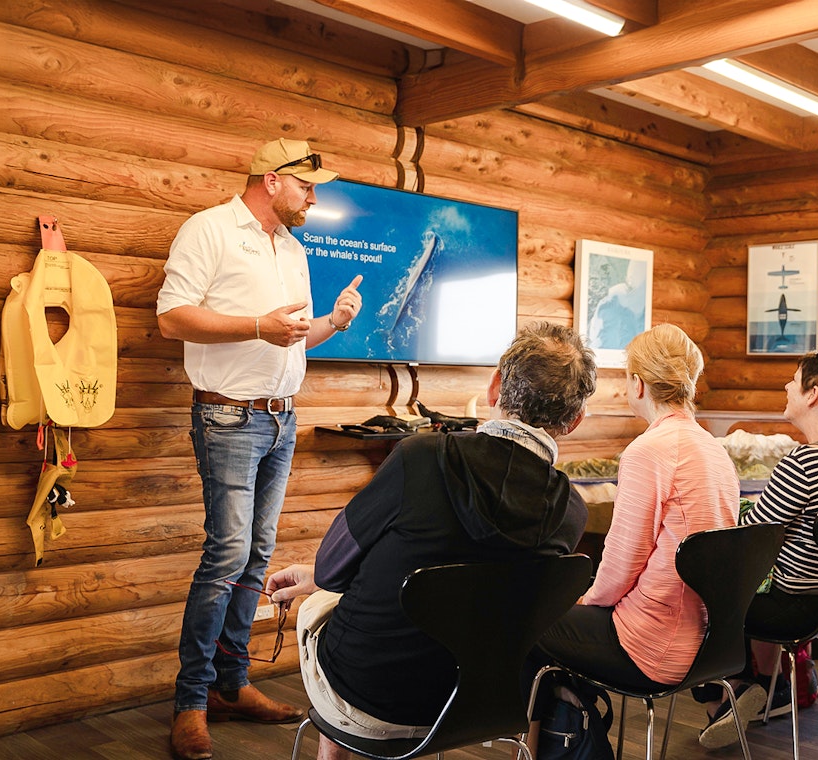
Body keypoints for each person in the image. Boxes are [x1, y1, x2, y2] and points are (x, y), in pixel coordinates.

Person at [265, 322, 598, 760]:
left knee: (319, 604)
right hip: (477, 704)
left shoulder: (418, 458)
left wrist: (320, 579)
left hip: (370, 699)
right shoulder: (569, 513)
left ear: (495, 388)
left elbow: (332, 568)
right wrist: (319, 576)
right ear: (573, 422)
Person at [156, 138, 364, 760]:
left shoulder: (294, 249)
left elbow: (291, 339)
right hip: (226, 416)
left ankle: (231, 685)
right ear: (271, 180)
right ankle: (190, 703)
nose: (314, 197)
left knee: (255, 559)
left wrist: (335, 322)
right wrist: (256, 325)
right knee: (224, 559)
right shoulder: (209, 230)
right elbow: (171, 317)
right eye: (307, 186)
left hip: (281, 421)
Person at [527, 323, 739, 735]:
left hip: (651, 645)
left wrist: (588, 599)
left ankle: (561, 732)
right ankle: (576, 710)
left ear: (638, 384)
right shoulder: (713, 448)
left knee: (528, 618)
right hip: (709, 642)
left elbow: (623, 562)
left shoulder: (649, 451)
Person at [700, 348, 818, 749]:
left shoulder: (803, 462)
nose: (786, 386)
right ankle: (766, 683)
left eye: (793, 380)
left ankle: (724, 698)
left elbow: (749, 532)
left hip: (794, 605)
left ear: (813, 395)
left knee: (697, 599)